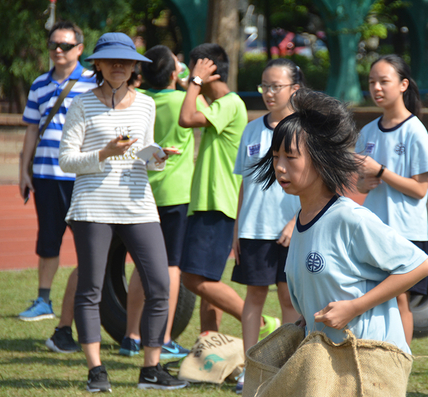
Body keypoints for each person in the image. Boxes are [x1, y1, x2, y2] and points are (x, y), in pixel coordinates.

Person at [252, 88, 428, 357]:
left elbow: (419, 265)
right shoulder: (303, 220)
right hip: (328, 363)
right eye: (276, 156)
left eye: (290, 157)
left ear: (320, 159)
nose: (279, 166)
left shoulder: (349, 217)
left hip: (369, 360)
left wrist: (355, 307)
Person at [59, 32, 187, 392]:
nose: (119, 66)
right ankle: (96, 371)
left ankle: (151, 369)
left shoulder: (146, 104)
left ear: (135, 66)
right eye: (111, 60)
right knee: (90, 289)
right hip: (92, 206)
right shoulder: (82, 104)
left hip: (138, 204)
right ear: (97, 64)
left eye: (126, 60)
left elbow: (143, 157)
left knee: (160, 285)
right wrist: (104, 153)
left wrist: (157, 157)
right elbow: (67, 160)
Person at [19, 20, 96, 354]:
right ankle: (43, 300)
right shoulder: (38, 84)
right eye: (53, 45)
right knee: (48, 239)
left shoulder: (93, 82)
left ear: (79, 49)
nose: (58, 51)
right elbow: (31, 132)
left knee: (87, 245)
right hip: (46, 174)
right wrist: (24, 170)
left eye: (65, 45)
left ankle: (81, 307)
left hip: (80, 176)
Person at [117, 45, 197, 360]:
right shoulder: (184, 99)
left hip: (145, 192)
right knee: (171, 266)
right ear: (175, 73)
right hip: (176, 194)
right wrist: (187, 75)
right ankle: (164, 337)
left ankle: (131, 335)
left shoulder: (142, 102)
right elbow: (199, 90)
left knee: (142, 265)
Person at [355, 54, 428, 345]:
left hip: (404, 230)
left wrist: (380, 171)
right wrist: (365, 180)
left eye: (383, 81)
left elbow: (419, 189)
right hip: (374, 229)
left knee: (400, 299)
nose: (376, 88)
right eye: (371, 82)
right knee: (374, 298)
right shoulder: (366, 132)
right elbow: (360, 185)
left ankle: (400, 361)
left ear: (403, 84)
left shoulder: (415, 130)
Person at [231, 58, 303, 393]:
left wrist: (294, 222)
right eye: (265, 86)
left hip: (292, 231)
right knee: (254, 296)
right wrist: (237, 230)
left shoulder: (304, 130)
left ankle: (287, 367)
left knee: (289, 297)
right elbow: (245, 184)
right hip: (253, 231)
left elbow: (316, 183)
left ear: (295, 89)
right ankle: (251, 367)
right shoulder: (251, 128)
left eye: (276, 86)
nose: (269, 93)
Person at [178, 44, 249, 333]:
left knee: (193, 279)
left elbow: (186, 119)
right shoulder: (218, 106)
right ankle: (209, 345)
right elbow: (195, 109)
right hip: (207, 203)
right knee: (208, 283)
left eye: (195, 69)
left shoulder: (231, 104)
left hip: (217, 203)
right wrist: (189, 82)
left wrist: (194, 82)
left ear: (209, 71)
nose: (190, 75)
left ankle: (261, 321)